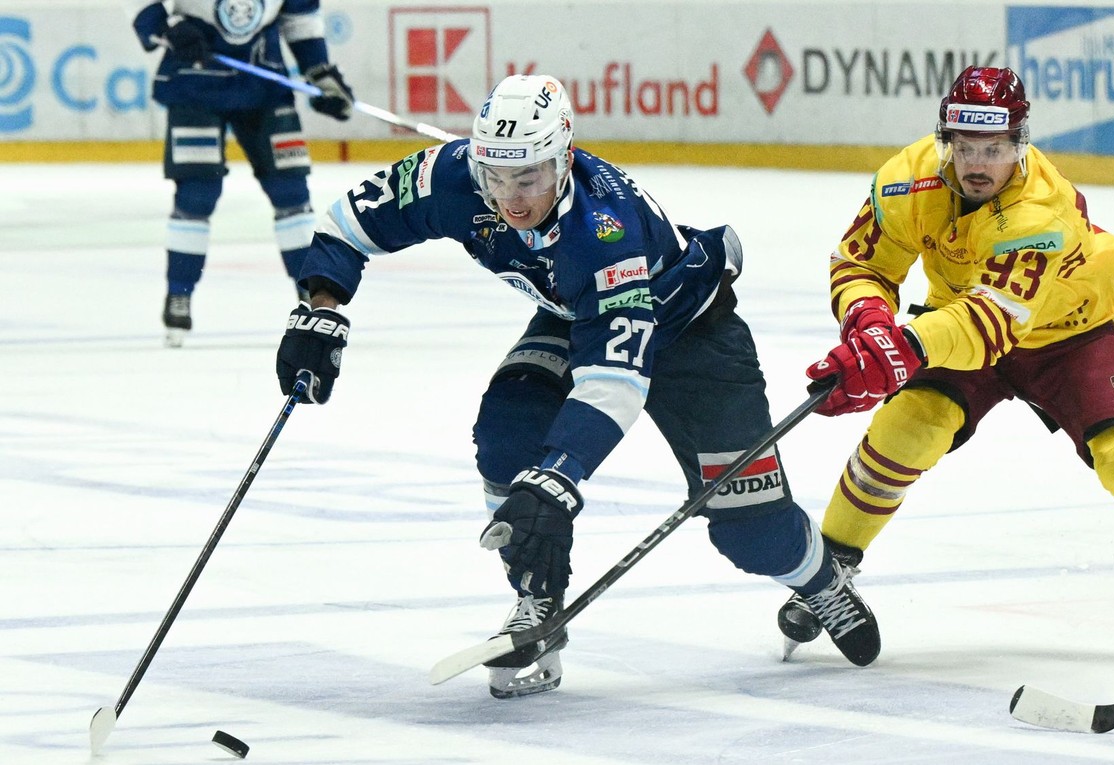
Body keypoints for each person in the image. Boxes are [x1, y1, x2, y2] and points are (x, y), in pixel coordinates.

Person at [272, 74, 881, 698]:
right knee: (508, 442)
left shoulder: (604, 228)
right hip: (577, 318)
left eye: (529, 179)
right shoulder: (452, 174)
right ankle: (538, 599)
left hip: (692, 336)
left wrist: (560, 475)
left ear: (564, 159)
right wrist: (324, 306)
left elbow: (615, 382)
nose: (510, 199)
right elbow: (346, 223)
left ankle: (821, 581)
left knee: (750, 528)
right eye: (496, 177)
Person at [777, 66, 1114, 659]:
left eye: (994, 149)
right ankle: (829, 575)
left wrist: (903, 349)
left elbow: (988, 325)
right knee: (905, 427)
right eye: (964, 147)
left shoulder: (1041, 210)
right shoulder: (907, 180)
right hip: (959, 317)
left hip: (1070, 329)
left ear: (1020, 145)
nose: (977, 164)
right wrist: (870, 323)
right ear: (945, 140)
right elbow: (862, 265)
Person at [132, 0, 354, 347]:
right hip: (195, 81)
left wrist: (320, 74)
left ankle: (311, 298)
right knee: (196, 194)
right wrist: (165, 27)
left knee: (291, 194)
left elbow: (300, 19)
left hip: (263, 86)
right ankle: (180, 293)